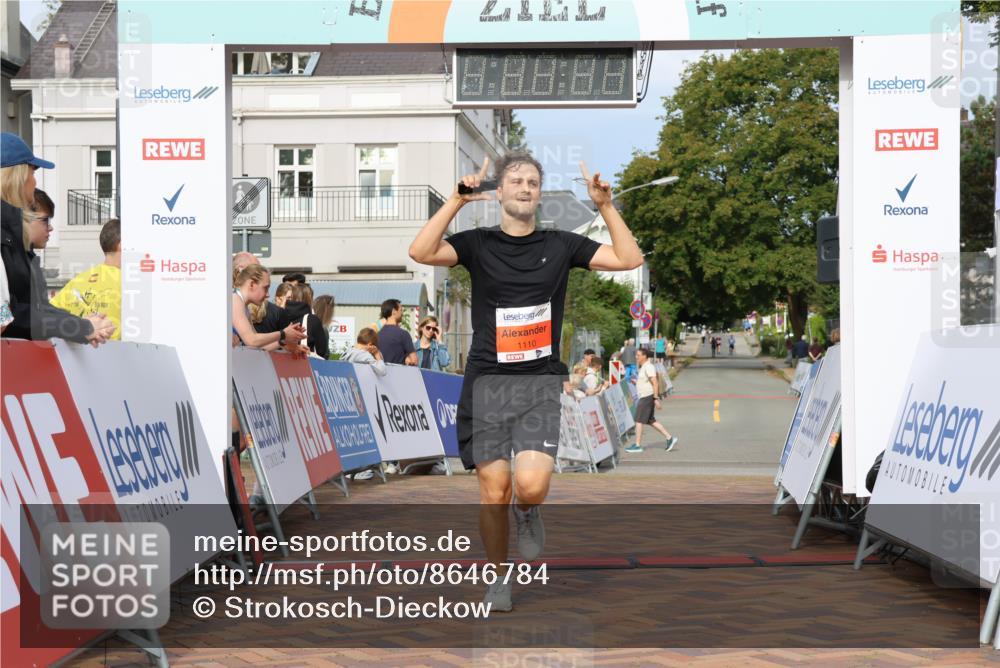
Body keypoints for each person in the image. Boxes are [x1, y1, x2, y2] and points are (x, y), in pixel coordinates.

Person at [408, 152, 644, 612]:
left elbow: (629, 258)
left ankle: (528, 511)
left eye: (533, 182)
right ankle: (498, 578)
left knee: (529, 486)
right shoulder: (477, 243)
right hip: (488, 383)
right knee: (492, 489)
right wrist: (457, 200)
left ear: (539, 193)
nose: (525, 187)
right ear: (499, 192)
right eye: (515, 181)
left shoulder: (561, 244)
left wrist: (605, 206)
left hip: (538, 382)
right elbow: (420, 252)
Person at [1, 142, 114, 345]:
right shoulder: (6, 236)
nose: (35, 182)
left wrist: (81, 326)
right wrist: (82, 327)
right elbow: (9, 314)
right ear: (16, 178)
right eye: (32, 173)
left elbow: (34, 309)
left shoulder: (13, 238)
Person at [50, 218, 123, 339]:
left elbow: (48, 316)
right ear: (122, 245)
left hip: (76, 355)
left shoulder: (78, 280)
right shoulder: (129, 283)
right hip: (117, 354)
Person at [231, 264, 305, 351]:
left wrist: (283, 341)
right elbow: (251, 340)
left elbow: (257, 347)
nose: (268, 295)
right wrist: (283, 334)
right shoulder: (235, 300)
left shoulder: (241, 304)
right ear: (251, 284)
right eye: (265, 288)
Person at [625, 348, 679, 454]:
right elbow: (647, 382)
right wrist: (636, 382)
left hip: (647, 396)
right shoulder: (645, 367)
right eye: (636, 355)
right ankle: (669, 438)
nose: (637, 357)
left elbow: (655, 382)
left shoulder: (648, 367)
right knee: (651, 421)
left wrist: (655, 398)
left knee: (639, 420)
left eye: (638, 355)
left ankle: (637, 445)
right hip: (646, 396)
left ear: (644, 356)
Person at [283, 283, 329, 359]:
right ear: (309, 299)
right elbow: (321, 351)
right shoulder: (313, 320)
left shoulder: (280, 315)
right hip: (306, 365)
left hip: (281, 365)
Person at [376, 298, 416, 365]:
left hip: (381, 373)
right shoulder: (403, 334)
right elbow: (414, 360)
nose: (402, 313)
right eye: (401, 310)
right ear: (394, 311)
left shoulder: (376, 335)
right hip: (398, 374)